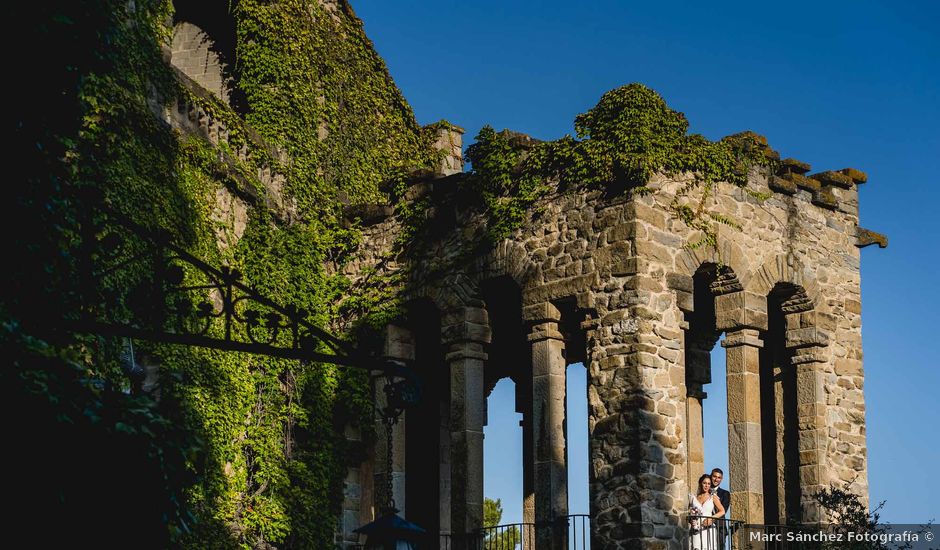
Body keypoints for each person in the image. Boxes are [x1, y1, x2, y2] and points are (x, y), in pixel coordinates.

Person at [689, 474, 725, 550]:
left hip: (709, 528)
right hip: (696, 528)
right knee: (696, 547)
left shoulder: (713, 497)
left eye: (709, 484)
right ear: (700, 483)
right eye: (704, 483)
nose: (706, 485)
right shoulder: (693, 498)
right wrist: (691, 521)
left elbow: (722, 511)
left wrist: (711, 519)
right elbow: (690, 513)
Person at [710, 468, 732, 550]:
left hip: (720, 528)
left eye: (719, 477)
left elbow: (723, 511)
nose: (716, 479)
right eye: (714, 476)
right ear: (711, 476)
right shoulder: (705, 492)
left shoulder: (725, 493)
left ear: (721, 479)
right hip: (705, 527)